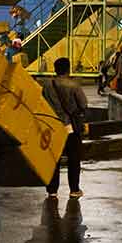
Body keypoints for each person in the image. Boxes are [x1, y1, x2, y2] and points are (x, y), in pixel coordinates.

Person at [43, 57, 89, 199]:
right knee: (74, 158)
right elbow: (83, 104)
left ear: (55, 69)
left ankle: (52, 191)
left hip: (52, 126)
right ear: (68, 69)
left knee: (53, 159)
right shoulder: (73, 85)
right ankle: (74, 190)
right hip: (69, 127)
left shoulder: (47, 85)